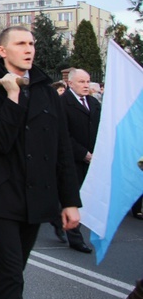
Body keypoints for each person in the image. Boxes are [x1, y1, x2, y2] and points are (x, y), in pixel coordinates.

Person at [0, 25, 81, 299]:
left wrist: (69, 201)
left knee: (12, 271)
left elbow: (62, 149)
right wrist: (12, 96)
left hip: (38, 197)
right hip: (3, 197)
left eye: (31, 44)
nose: (29, 49)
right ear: (2, 50)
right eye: (20, 43)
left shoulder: (47, 92)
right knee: (11, 275)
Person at [59, 68, 100, 254]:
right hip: (72, 159)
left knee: (90, 196)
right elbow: (63, 135)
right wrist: (83, 153)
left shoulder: (94, 103)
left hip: (93, 159)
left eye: (88, 81)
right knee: (72, 197)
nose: (86, 85)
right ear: (70, 83)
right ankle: (75, 238)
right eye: (82, 82)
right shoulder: (62, 103)